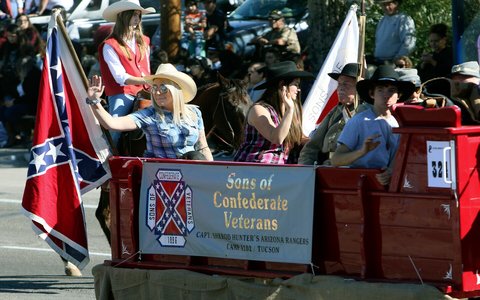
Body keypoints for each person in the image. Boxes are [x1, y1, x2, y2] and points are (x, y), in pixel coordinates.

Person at [87, 63, 213, 161]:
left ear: (176, 89)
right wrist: (94, 100)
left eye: (163, 88)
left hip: (192, 176)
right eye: (154, 88)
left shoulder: (194, 113)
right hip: (160, 178)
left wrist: (214, 172)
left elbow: (203, 146)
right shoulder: (150, 115)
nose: (157, 92)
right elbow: (112, 124)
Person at [331, 65, 415, 186]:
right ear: (372, 94)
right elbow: (336, 160)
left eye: (391, 90)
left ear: (399, 95)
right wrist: (362, 151)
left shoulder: (398, 124)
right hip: (361, 185)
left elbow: (398, 157)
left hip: (389, 186)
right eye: (380, 89)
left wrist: (391, 171)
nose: (386, 95)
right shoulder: (359, 121)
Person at [98, 0, 155, 147]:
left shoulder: (145, 41)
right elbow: (120, 78)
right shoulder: (109, 45)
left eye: (138, 14)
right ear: (124, 16)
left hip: (147, 91)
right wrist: (147, 81)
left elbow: (147, 69)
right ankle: (106, 158)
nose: (137, 18)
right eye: (133, 14)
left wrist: (152, 84)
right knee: (114, 127)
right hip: (123, 92)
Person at [234, 61, 313, 164]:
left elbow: (299, 138)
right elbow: (276, 138)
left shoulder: (291, 109)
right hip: (253, 169)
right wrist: (289, 111)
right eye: (295, 85)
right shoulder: (259, 109)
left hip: (279, 169)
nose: (298, 90)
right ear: (282, 86)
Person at [298, 63, 370, 165]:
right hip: (326, 168)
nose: (340, 89)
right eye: (339, 84)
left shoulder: (366, 114)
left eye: (346, 84)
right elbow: (311, 147)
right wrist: (305, 169)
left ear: (360, 88)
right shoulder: (336, 111)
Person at [373, 0, 415, 65]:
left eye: (389, 4)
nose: (387, 7)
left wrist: (398, 58)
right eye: (384, 5)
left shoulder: (404, 19)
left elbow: (409, 43)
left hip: (394, 63)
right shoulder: (382, 21)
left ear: (396, 3)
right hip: (379, 61)